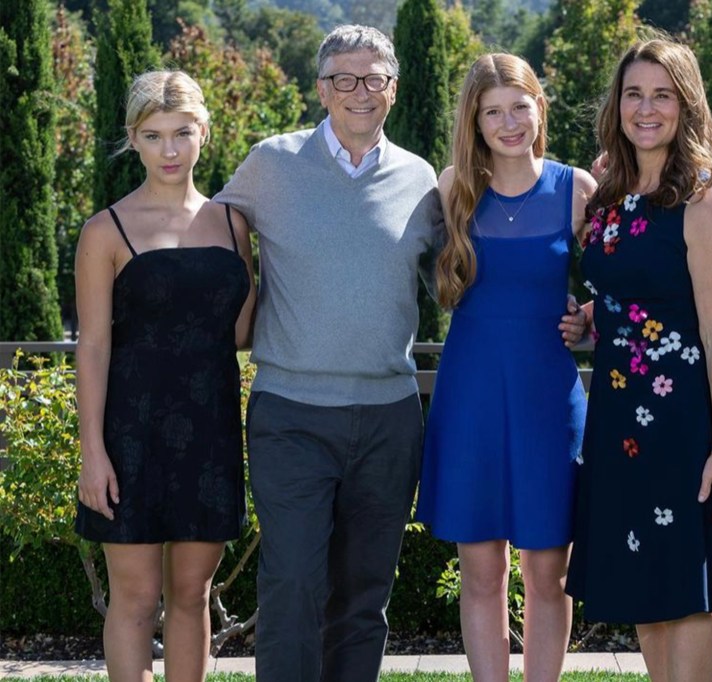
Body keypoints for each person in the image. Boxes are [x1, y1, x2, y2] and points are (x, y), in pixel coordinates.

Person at [214, 27, 587, 682]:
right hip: (323, 408)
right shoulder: (284, 166)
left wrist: (591, 316)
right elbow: (209, 225)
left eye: (374, 79)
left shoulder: (446, 184)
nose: (360, 92)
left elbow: (620, 270)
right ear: (322, 87)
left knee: (373, 594)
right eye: (344, 79)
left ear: (394, 88)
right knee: (298, 582)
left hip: (415, 411)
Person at [565, 39, 712, 682]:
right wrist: (592, 317)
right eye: (634, 94)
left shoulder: (703, 203)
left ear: (686, 104)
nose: (646, 108)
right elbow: (633, 290)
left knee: (684, 591)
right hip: (617, 419)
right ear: (617, 104)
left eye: (662, 95)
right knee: (642, 587)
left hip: (682, 425)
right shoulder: (611, 191)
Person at [415, 53, 596, 682]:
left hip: (548, 395)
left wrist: (590, 317)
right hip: (470, 394)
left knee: (551, 571)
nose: (509, 121)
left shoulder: (577, 188)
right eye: (493, 111)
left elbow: (617, 288)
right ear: (475, 120)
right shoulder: (452, 188)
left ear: (539, 107)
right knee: (481, 570)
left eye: (519, 106)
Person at [74, 70, 256, 682]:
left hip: (210, 433)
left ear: (204, 132)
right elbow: (94, 347)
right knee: (133, 598)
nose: (170, 150)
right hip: (129, 435)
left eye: (182, 133)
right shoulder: (105, 231)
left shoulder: (234, 226)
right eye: (153, 136)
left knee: (191, 594)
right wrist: (91, 452)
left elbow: (239, 331)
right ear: (134, 139)